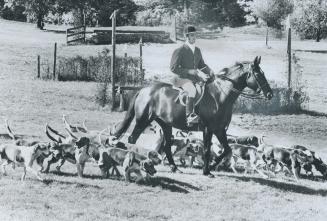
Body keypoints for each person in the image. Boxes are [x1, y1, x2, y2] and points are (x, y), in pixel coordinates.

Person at [170, 25, 214, 127]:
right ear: (187, 37)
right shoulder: (179, 50)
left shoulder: (197, 50)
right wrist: (189, 71)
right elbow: (173, 68)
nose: (194, 37)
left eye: (195, 35)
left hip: (194, 79)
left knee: (204, 89)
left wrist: (210, 71)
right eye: (192, 35)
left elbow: (201, 65)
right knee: (192, 90)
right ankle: (189, 116)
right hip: (181, 78)